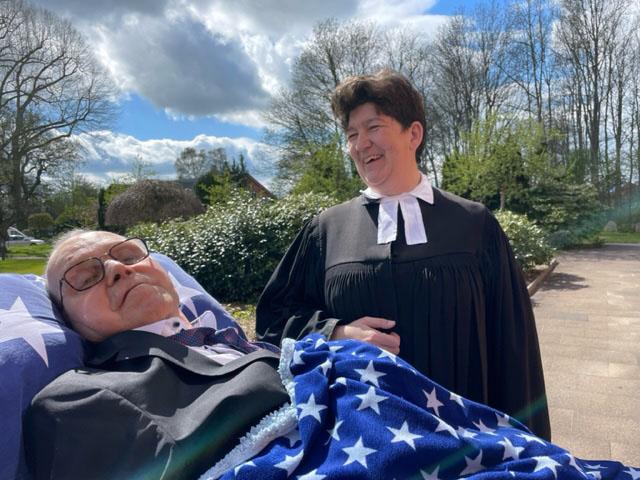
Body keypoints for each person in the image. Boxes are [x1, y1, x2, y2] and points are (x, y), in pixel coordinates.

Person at [256, 69, 551, 440]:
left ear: (414, 134)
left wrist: (526, 446)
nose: (361, 143)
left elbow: (514, 350)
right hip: (358, 447)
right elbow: (273, 320)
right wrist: (336, 332)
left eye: (373, 127)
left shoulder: (475, 226)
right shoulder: (326, 231)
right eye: (351, 134)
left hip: (463, 447)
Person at [24, 230, 289, 480]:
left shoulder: (231, 341)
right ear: (67, 320)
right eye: (86, 278)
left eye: (130, 256)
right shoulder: (78, 399)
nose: (118, 268)